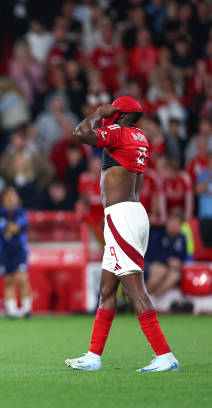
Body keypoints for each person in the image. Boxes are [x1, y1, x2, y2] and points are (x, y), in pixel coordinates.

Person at [66, 96, 179, 372]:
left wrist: (98, 112)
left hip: (121, 217)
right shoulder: (140, 136)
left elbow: (80, 133)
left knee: (135, 290)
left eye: (114, 110)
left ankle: (165, 355)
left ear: (120, 114)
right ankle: (93, 356)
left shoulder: (119, 132)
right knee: (107, 289)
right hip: (132, 213)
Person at [0, 186, 32, 318]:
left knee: (22, 278)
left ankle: (26, 309)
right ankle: (11, 310)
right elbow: (0, 228)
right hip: (4, 251)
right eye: (8, 195)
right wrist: (11, 227)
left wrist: (9, 227)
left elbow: (17, 227)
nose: (11, 198)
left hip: (19, 250)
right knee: (8, 280)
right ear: (3, 198)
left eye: (13, 195)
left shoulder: (22, 212)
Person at [145, 209, 187, 300]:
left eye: (177, 225)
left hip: (171, 268)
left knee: (175, 276)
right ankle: (144, 296)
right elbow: (151, 254)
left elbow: (184, 257)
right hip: (152, 264)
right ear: (168, 222)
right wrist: (168, 260)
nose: (174, 226)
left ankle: (154, 299)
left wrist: (178, 263)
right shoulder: (158, 233)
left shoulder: (182, 238)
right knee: (161, 270)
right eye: (172, 223)